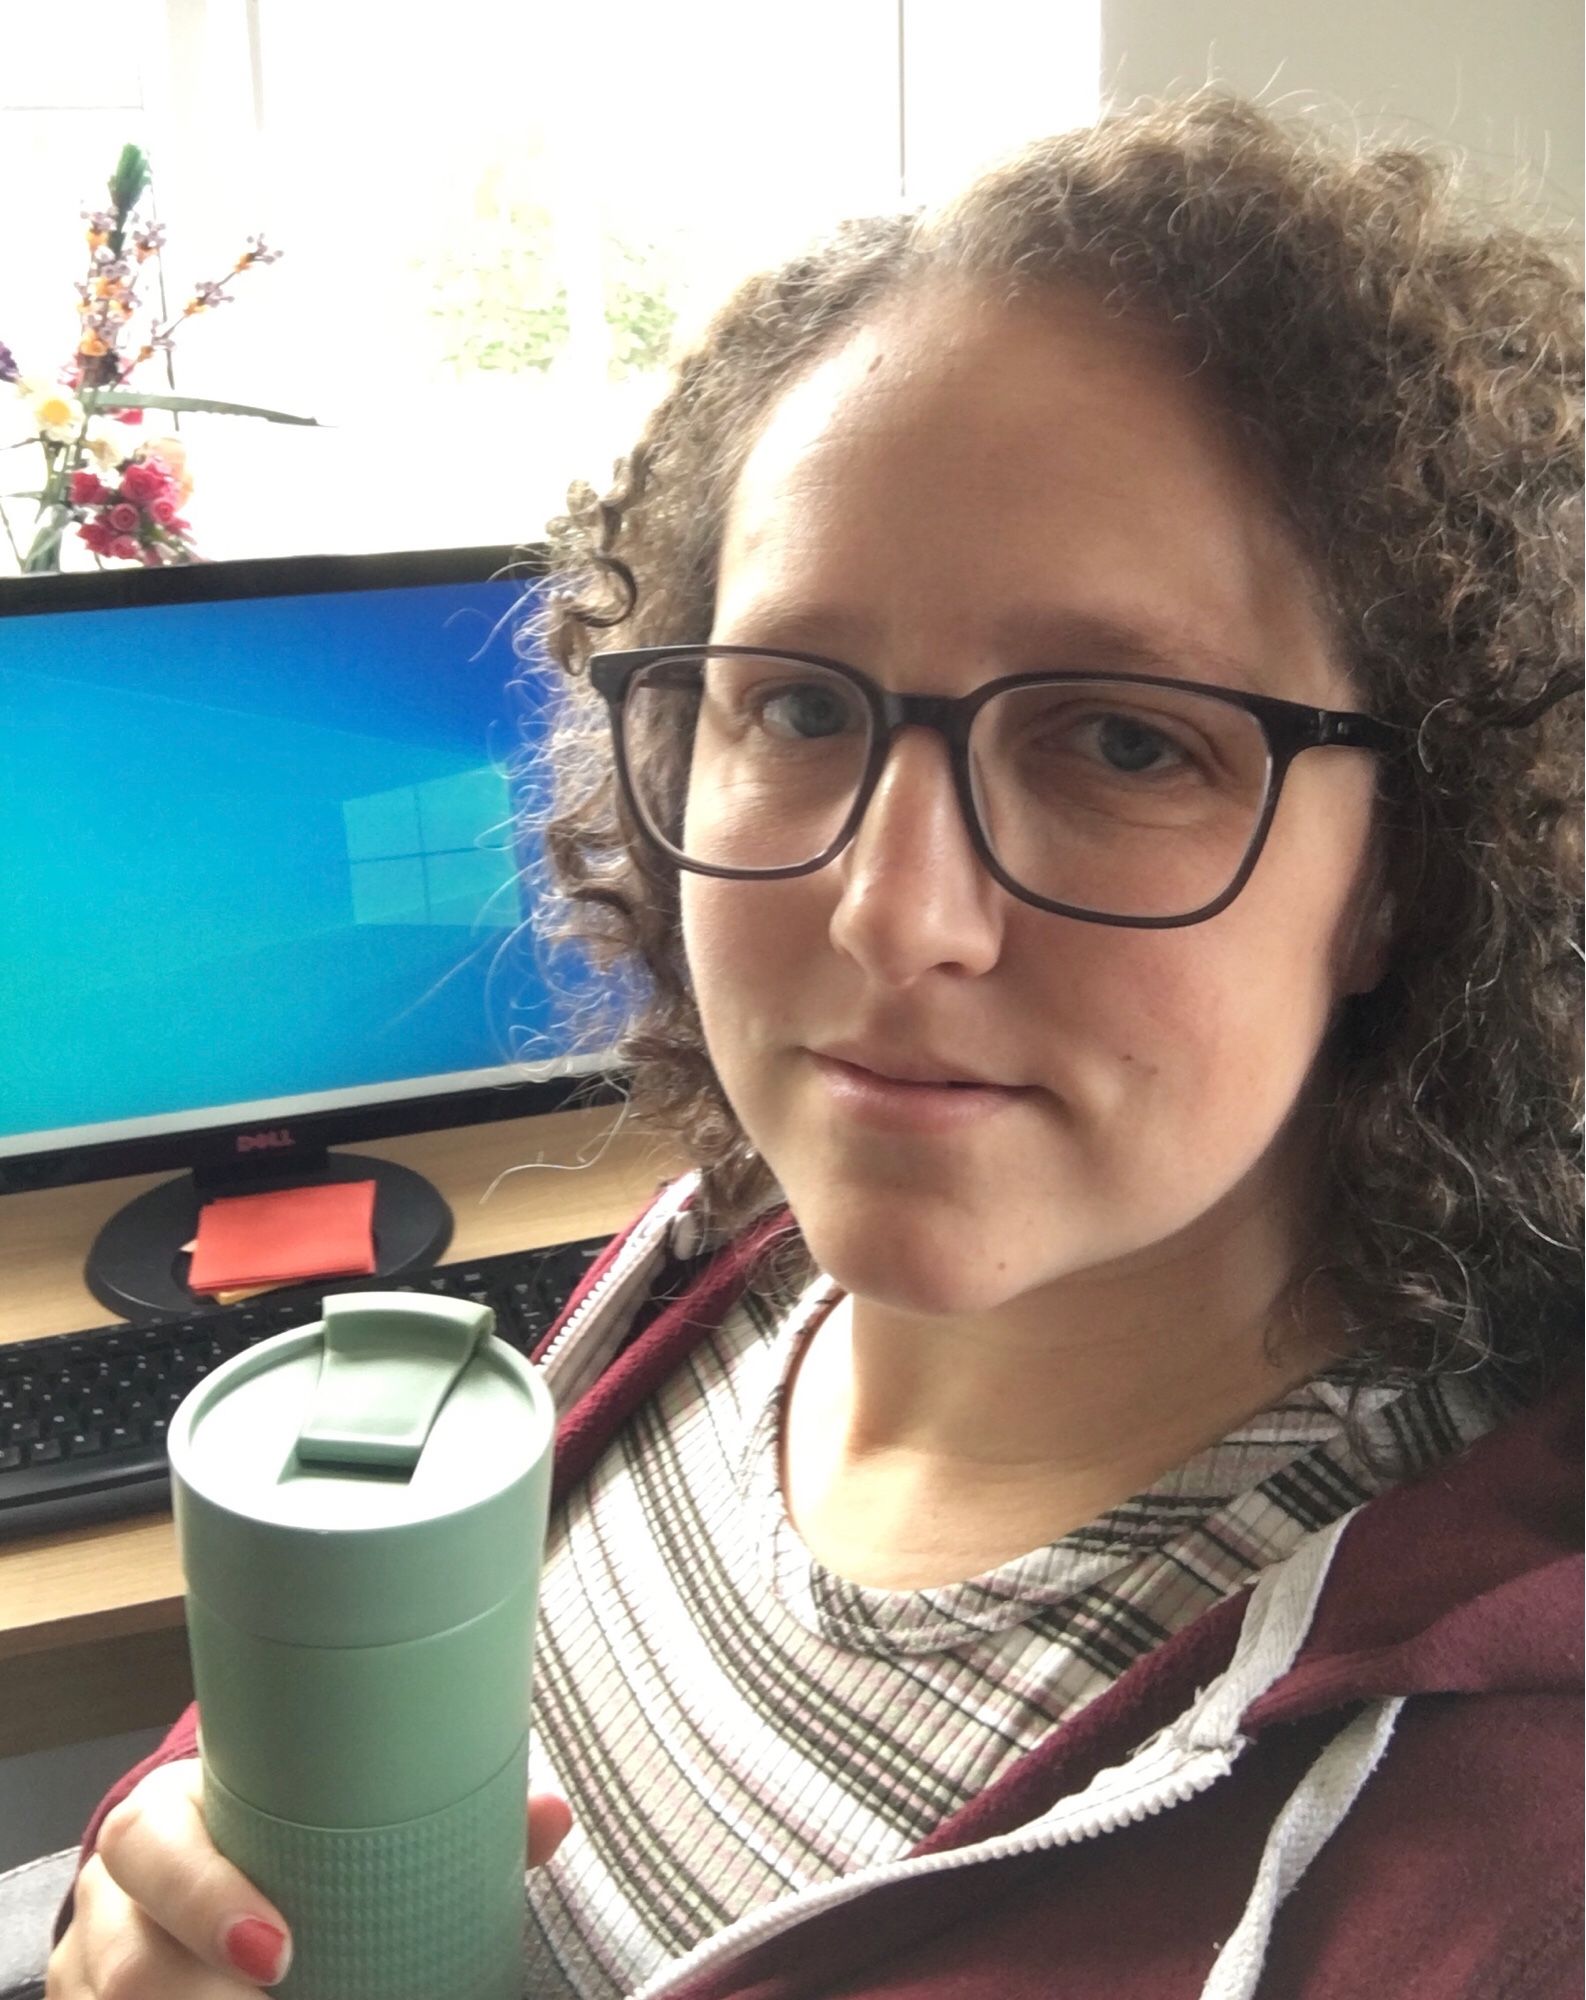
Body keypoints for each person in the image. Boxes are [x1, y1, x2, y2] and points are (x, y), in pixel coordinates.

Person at [46, 92, 1580, 2000]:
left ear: (1405, 873)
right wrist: (153, 1892)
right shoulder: (719, 1265)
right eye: (793, 704)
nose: (887, 913)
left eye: (1120, 741)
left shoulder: (1491, 1868)